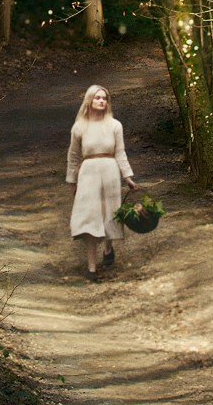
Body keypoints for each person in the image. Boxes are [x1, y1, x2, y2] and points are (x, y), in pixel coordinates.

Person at [66, 85, 138, 282]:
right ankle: (91, 266)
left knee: (110, 215)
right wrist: (72, 180)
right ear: (89, 100)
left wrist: (127, 177)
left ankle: (108, 248)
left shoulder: (115, 125)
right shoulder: (79, 127)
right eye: (97, 97)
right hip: (88, 173)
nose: (101, 101)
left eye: (104, 98)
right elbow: (73, 156)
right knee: (90, 217)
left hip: (110, 172)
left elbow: (120, 152)